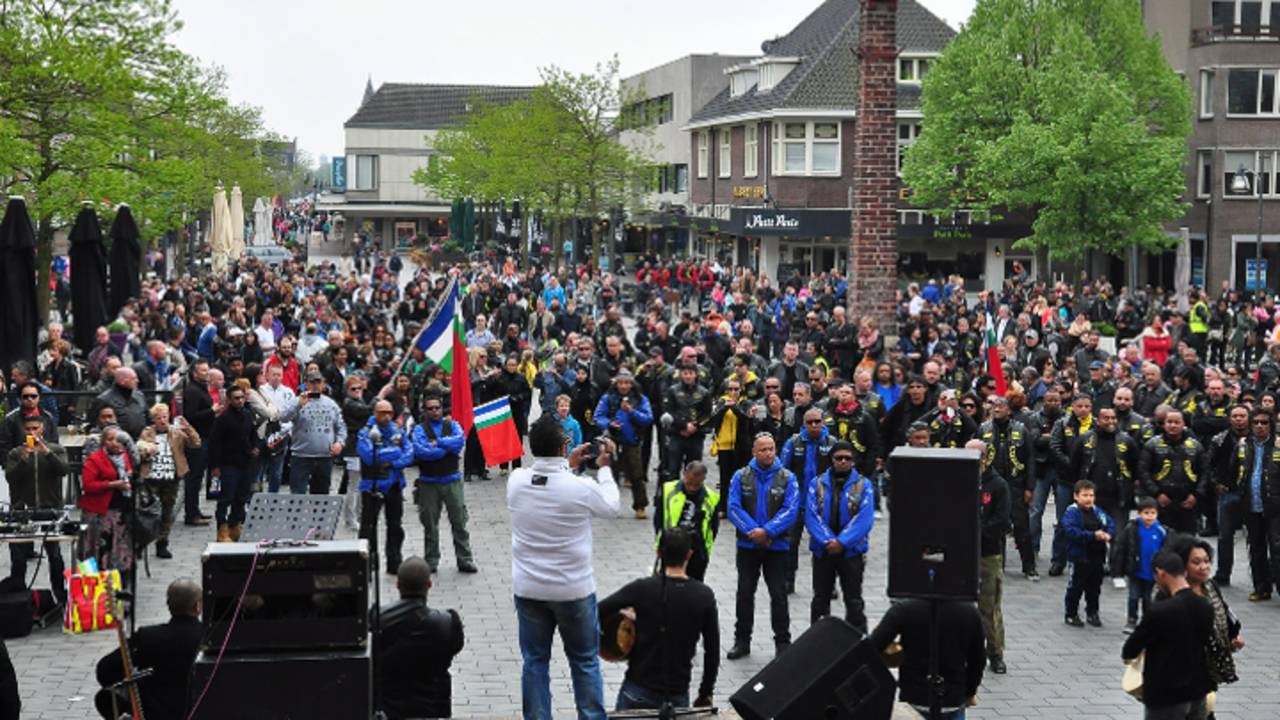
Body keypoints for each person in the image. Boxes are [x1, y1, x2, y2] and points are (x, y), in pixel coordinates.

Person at [507, 414, 620, 720]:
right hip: (572, 590)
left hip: (529, 588)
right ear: (564, 445)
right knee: (584, 661)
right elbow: (611, 506)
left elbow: (544, 480)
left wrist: (565, 463)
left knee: (535, 661)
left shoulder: (516, 481)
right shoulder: (580, 487)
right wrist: (605, 469)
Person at [597, 528, 719, 710]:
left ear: (658, 553)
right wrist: (705, 693)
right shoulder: (704, 596)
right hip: (676, 695)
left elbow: (597, 610)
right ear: (689, 554)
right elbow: (712, 651)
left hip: (638, 688)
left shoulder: (642, 589)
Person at [725, 433, 799, 660]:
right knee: (745, 593)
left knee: (778, 594)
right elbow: (733, 508)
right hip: (747, 546)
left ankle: (783, 643)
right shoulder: (740, 476)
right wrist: (753, 532)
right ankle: (742, 640)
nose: (769, 453)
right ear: (754, 452)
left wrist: (768, 532)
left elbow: (791, 510)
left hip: (776, 547)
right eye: (764, 449)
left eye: (772, 448)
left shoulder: (787, 477)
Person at [1121, 550, 1215, 720]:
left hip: (1166, 696)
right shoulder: (1205, 606)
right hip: (1197, 692)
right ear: (1184, 572)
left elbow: (1130, 650)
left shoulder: (1159, 611)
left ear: (1161, 573)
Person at [94, 579, 203, 720]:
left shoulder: (148, 637)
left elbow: (105, 671)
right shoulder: (211, 637)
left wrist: (132, 678)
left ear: (169, 606)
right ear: (198, 606)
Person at [373, 557, 465, 720]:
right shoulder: (448, 623)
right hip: (432, 709)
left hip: (389, 709)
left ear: (397, 585)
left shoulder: (377, 619)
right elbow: (454, 647)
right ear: (429, 585)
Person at [868, 598, 985, 720]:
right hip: (952, 697)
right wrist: (969, 692)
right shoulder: (969, 611)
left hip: (914, 697)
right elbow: (978, 659)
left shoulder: (904, 608)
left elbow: (871, 648)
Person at [804, 440, 874, 634]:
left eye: (847, 458)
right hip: (823, 551)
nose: (843, 461)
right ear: (831, 459)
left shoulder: (863, 485)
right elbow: (811, 516)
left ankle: (858, 641)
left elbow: (864, 519)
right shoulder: (817, 483)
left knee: (853, 600)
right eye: (838, 458)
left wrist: (842, 542)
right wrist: (828, 541)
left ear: (853, 461)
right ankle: (817, 641)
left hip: (851, 552)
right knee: (820, 599)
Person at [3, 415, 69, 604]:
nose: (31, 432)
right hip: (22, 511)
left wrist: (46, 451)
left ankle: (60, 593)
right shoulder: (16, 452)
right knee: (18, 557)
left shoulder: (56, 449)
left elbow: (63, 470)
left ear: (42, 429)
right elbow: (10, 477)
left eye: (35, 428)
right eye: (28, 429)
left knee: (55, 556)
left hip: (50, 509)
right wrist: (24, 458)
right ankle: (18, 598)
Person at [411, 396, 476, 574]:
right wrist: (446, 448)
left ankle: (465, 560)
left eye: (437, 408)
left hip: (452, 481)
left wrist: (438, 443)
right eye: (430, 408)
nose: (434, 411)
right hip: (428, 484)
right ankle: (431, 560)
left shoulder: (452, 425)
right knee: (430, 525)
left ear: (442, 408)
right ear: (424, 411)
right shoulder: (418, 429)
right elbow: (422, 451)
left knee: (460, 522)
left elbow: (459, 441)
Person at [1227, 407, 1280, 601]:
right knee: (1256, 548)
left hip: (1275, 506)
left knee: (1277, 548)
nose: (1259, 426)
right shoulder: (1243, 445)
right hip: (1251, 505)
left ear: (1271, 425)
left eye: (1264, 422)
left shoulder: (1278, 445)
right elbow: (1232, 470)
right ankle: (1261, 587)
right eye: (1256, 422)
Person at [357, 400, 415, 575]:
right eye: (382, 412)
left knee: (395, 526)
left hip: (394, 484)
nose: (386, 416)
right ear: (375, 413)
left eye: (389, 412)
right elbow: (369, 456)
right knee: (368, 527)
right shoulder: (366, 433)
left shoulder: (397, 431)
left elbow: (409, 453)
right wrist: (394, 453)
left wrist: (392, 462)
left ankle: (394, 561)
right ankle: (367, 562)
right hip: (372, 485)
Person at [137, 404, 200, 559]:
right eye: (158, 418)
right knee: (148, 513)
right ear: (154, 419)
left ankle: (162, 543)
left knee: (167, 512)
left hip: (171, 478)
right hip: (151, 478)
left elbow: (195, 443)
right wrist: (147, 452)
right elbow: (138, 452)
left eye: (164, 417)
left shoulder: (176, 432)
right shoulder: (146, 433)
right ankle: (141, 543)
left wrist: (188, 428)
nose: (162, 420)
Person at [594, 370, 654, 519]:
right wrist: (609, 423)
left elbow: (648, 418)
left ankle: (640, 506)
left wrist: (632, 412)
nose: (623, 386)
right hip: (612, 441)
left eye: (626, 383)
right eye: (620, 383)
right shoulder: (608, 398)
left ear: (631, 384)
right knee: (611, 474)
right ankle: (609, 505)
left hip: (632, 441)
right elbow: (598, 416)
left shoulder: (640, 399)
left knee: (636, 475)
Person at [280, 370, 347, 494]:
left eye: (318, 382)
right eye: (312, 382)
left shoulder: (331, 404)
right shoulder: (297, 400)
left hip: (324, 457)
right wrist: (298, 405)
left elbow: (341, 427)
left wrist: (340, 443)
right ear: (306, 384)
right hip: (301, 456)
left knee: (321, 497)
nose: (315, 385)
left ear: (323, 384)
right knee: (297, 496)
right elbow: (283, 418)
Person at [208, 385, 259, 542]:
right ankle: (222, 529)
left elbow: (253, 434)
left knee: (241, 497)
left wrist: (256, 447)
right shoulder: (223, 419)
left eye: (242, 397)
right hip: (228, 464)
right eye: (236, 398)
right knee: (226, 497)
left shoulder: (248, 414)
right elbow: (215, 443)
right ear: (229, 400)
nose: (240, 401)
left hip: (245, 462)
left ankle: (235, 525)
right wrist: (215, 466)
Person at [79, 427, 134, 575]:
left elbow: (130, 473)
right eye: (110, 439)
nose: (115, 443)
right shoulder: (95, 459)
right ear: (103, 442)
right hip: (97, 512)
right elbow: (87, 485)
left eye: (118, 440)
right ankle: (91, 579)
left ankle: (115, 580)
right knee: (94, 548)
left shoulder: (125, 457)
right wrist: (113, 484)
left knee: (117, 548)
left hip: (119, 511)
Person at [1109, 496, 1168, 633]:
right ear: (1139, 513)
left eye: (1152, 513)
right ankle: (1131, 619)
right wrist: (1117, 571)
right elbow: (1121, 549)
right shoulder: (1132, 529)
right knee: (1134, 596)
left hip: (1152, 572)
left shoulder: (1161, 531)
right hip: (1135, 570)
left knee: (1148, 598)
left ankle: (1147, 620)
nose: (1149, 516)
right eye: (1146, 513)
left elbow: (1166, 549)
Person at [1062, 479, 1116, 628]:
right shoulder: (1071, 512)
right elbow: (1071, 531)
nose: (1089, 499)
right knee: (1076, 587)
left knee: (1094, 587)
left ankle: (1092, 612)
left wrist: (1108, 534)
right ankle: (1071, 614)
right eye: (1085, 495)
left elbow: (1110, 523)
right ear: (1076, 496)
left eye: (1091, 495)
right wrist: (1092, 535)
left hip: (1097, 556)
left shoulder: (1098, 512)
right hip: (1079, 556)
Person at [652, 461, 719, 581]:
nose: (692, 488)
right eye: (689, 483)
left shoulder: (711, 498)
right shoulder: (668, 489)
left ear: (703, 479)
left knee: (694, 587)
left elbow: (713, 527)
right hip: (671, 544)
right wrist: (660, 542)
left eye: (696, 485)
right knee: (667, 584)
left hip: (697, 549)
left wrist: (705, 551)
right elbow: (659, 518)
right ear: (684, 474)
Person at [180, 359, 215, 527]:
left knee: (198, 477)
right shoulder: (192, 391)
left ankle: (195, 510)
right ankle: (191, 514)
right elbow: (191, 415)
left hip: (205, 437)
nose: (206, 373)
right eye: (203, 371)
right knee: (194, 478)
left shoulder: (200, 388)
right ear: (194, 373)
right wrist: (212, 411)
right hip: (196, 440)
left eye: (207, 370)